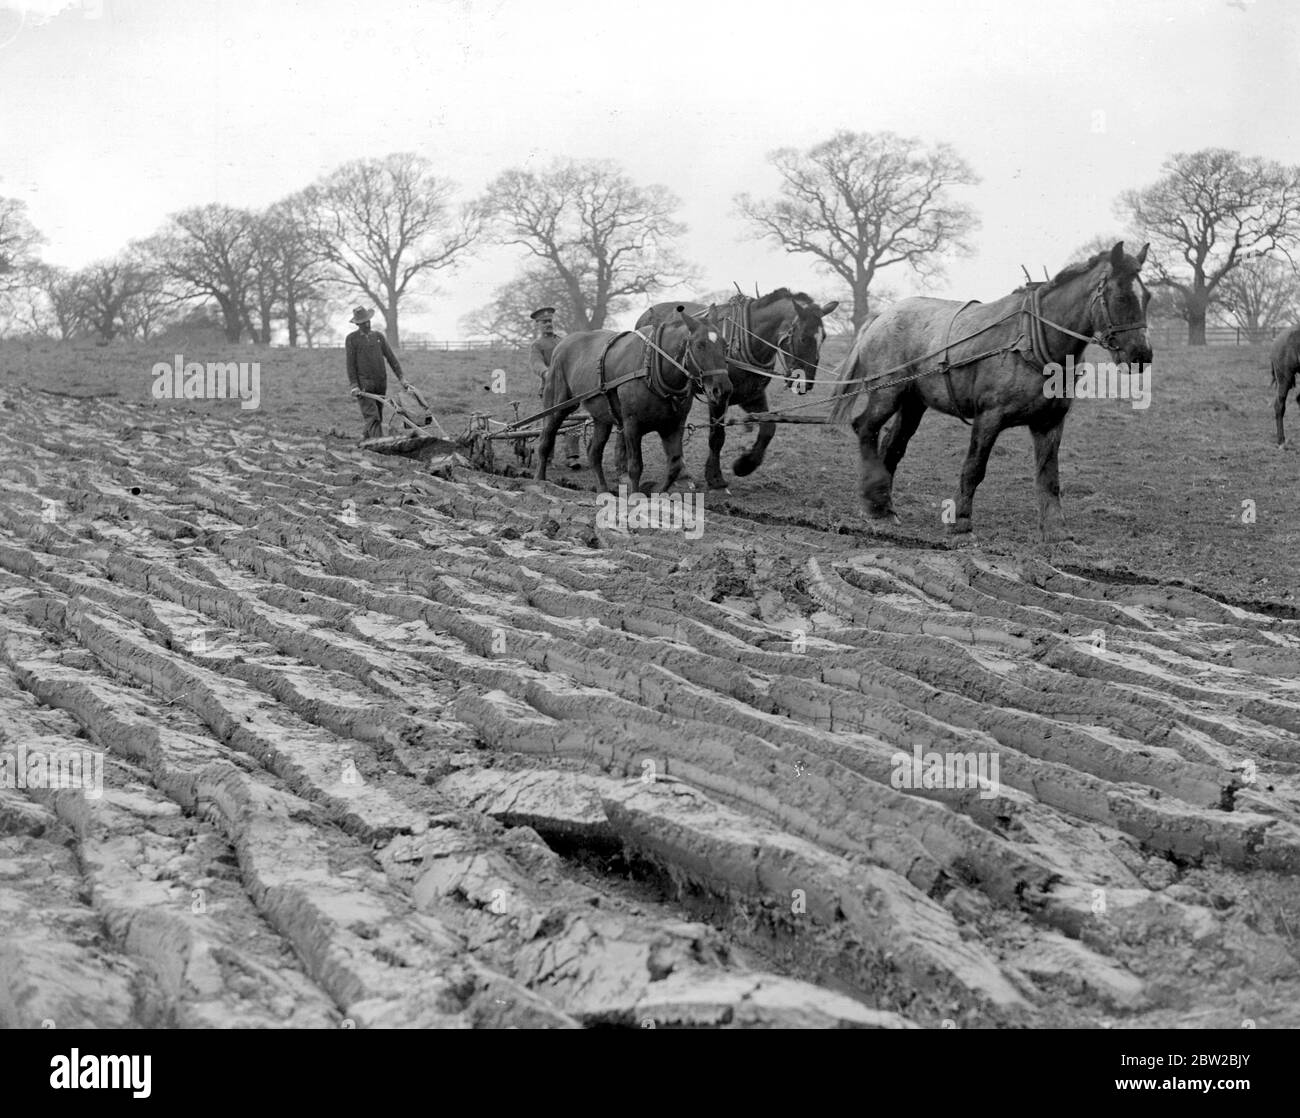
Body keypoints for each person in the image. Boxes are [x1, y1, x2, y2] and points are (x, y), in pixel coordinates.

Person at [528, 306, 581, 469]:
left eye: (549, 321)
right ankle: (547, 458)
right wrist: (546, 373)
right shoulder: (537, 345)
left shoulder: (562, 341)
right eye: (544, 322)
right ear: (537, 325)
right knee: (550, 422)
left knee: (574, 421)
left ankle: (572, 457)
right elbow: (536, 363)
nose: (548, 324)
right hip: (550, 389)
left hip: (570, 388)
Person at [345, 306, 406, 440]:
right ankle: (380, 444)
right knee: (373, 417)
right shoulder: (352, 339)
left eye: (368, 321)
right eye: (363, 323)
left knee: (378, 414)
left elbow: (391, 358)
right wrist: (354, 385)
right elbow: (350, 364)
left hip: (380, 382)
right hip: (364, 384)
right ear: (357, 324)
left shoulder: (378, 337)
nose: (367, 324)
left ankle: (366, 440)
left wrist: (401, 378)